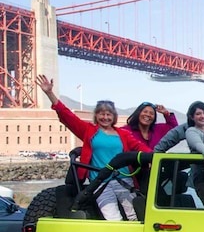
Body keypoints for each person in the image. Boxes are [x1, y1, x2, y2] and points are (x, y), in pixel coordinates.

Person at [35, 74, 148, 220]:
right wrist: (50, 93)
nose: (105, 117)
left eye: (108, 114)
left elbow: (141, 147)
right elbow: (67, 116)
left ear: (113, 116)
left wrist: (154, 158)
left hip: (124, 181)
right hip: (100, 182)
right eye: (101, 114)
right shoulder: (88, 131)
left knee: (134, 215)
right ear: (96, 116)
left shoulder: (123, 134)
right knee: (113, 219)